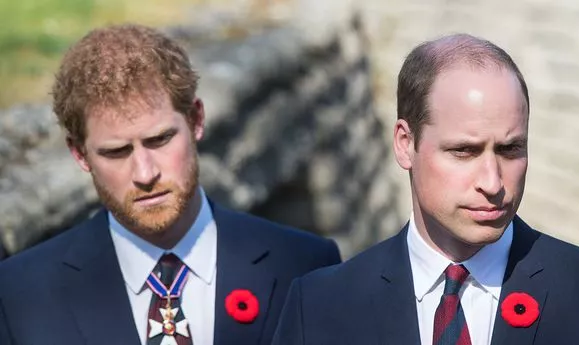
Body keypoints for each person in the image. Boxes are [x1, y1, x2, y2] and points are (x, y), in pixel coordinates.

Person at [0, 24, 340, 345]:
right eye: (116, 152)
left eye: (160, 139)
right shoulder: (22, 294)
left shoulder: (305, 265)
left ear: (196, 120)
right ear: (79, 153)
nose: (145, 174)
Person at [272, 33, 579, 345]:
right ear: (405, 144)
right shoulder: (319, 306)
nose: (493, 183)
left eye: (510, 150)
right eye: (464, 152)